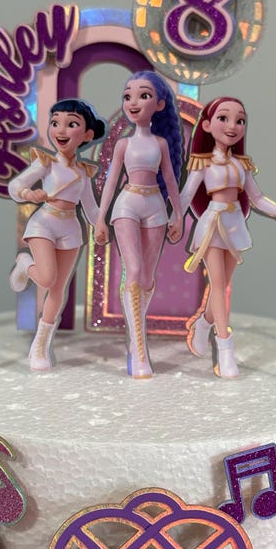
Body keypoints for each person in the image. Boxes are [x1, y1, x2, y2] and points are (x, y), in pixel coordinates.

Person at [181, 97, 276, 378]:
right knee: (218, 285)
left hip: (234, 226)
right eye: (223, 118)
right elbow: (187, 195)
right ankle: (225, 348)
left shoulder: (241, 164)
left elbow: (257, 198)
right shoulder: (202, 163)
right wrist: (171, 219)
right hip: (212, 225)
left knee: (222, 286)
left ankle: (203, 324)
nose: (232, 126)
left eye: (239, 120)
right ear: (206, 125)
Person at [95, 71, 184, 378]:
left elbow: (170, 179)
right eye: (128, 96)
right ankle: (139, 347)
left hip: (155, 205)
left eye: (143, 95)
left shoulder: (161, 143)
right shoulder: (123, 144)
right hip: (127, 204)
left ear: (159, 105)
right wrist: (101, 218)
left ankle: (134, 340)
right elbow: (111, 181)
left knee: (146, 277)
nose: (133, 102)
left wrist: (178, 214)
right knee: (132, 270)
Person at [9, 99, 106, 370]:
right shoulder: (46, 163)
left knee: (57, 289)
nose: (61, 130)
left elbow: (91, 207)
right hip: (44, 223)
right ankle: (25, 264)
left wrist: (101, 226)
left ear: (87, 135)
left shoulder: (84, 172)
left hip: (70, 228)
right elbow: (15, 185)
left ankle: (41, 345)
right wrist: (29, 194)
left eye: (71, 124)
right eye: (55, 123)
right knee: (47, 277)